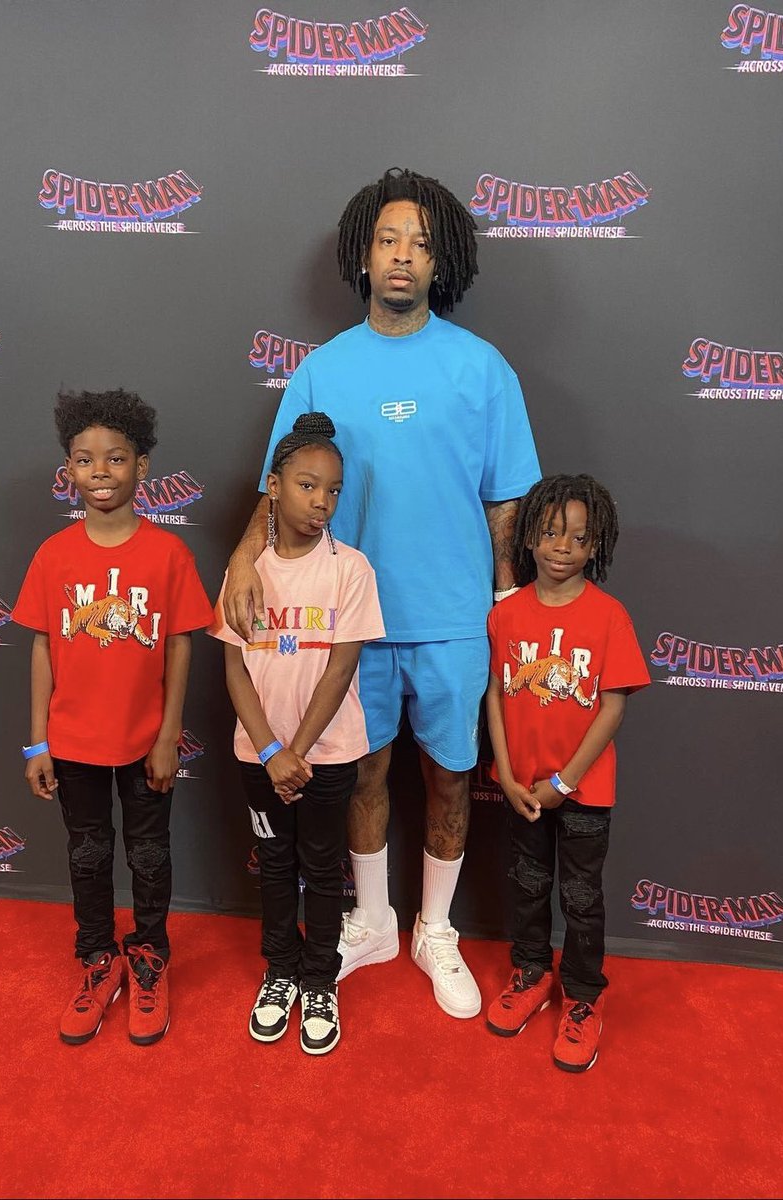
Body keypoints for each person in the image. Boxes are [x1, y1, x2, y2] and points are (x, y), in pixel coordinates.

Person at [223, 168, 541, 1019]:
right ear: (363, 255)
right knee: (360, 774)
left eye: (423, 245)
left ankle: (436, 929)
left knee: (447, 778)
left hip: (451, 621)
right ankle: (371, 919)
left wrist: (508, 598)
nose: (404, 257)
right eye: (389, 240)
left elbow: (507, 498)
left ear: (445, 264)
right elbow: (274, 489)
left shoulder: (482, 369)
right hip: (342, 624)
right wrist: (246, 563)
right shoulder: (323, 372)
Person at [12, 388, 214, 1046]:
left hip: (143, 745)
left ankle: (149, 957)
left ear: (142, 467)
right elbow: (43, 645)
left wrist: (167, 736)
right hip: (72, 744)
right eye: (84, 459)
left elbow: (180, 644)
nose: (100, 471)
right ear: (67, 469)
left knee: (151, 856)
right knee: (89, 855)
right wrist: (36, 742)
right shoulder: (53, 556)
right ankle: (98, 960)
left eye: (116, 458)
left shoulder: (167, 556)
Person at [210, 413, 385, 1055]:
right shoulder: (246, 572)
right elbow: (233, 663)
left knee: (321, 863)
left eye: (334, 490)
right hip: (260, 757)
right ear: (275, 486)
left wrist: (299, 752)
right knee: (275, 866)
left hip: (326, 757)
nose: (321, 502)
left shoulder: (352, 570)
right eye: (308, 486)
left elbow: (342, 666)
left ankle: (320, 979)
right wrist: (269, 750)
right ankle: (281, 971)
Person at [483, 474, 650, 1071]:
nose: (562, 547)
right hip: (522, 786)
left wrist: (565, 781)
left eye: (578, 538)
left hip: (581, 791)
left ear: (594, 545)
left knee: (580, 898)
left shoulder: (608, 617)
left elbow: (613, 706)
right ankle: (530, 973)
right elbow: (497, 697)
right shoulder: (506, 616)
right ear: (529, 536)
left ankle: (581, 998)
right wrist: (503, 770)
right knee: (527, 885)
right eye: (551, 533)